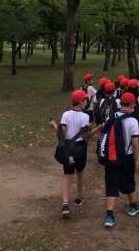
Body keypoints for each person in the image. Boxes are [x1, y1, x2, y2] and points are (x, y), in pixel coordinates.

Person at [49, 90, 101, 218]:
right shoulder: (85, 117)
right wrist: (97, 129)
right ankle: (78, 197)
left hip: (68, 149)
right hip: (80, 149)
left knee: (67, 175)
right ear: (80, 102)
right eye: (85, 99)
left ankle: (65, 204)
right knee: (80, 173)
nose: (86, 102)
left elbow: (62, 133)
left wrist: (55, 126)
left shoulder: (65, 114)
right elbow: (85, 136)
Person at [102, 92, 139, 227]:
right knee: (128, 181)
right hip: (126, 157)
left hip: (111, 156)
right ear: (131, 104)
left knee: (111, 184)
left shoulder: (111, 116)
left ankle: (109, 216)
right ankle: (132, 206)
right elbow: (135, 143)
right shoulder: (133, 121)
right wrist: (137, 160)